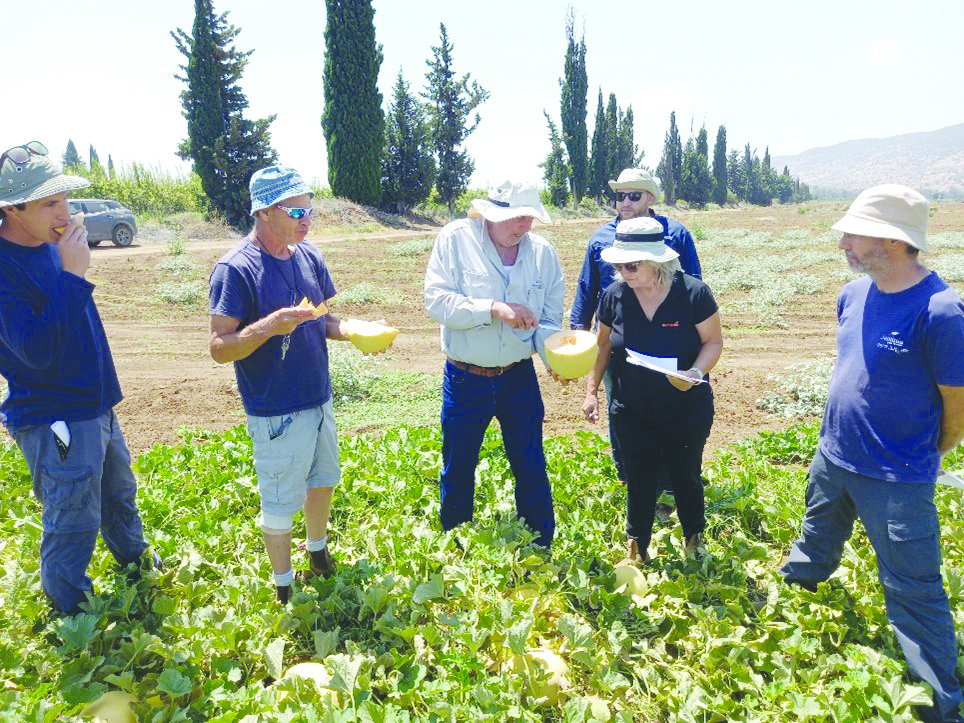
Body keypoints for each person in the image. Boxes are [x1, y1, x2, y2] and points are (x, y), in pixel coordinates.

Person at [780, 185, 964, 723]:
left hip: (897, 477)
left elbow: (957, 402)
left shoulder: (943, 310)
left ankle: (939, 703)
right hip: (834, 456)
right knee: (815, 539)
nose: (843, 243)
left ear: (891, 240)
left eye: (853, 233)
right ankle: (795, 606)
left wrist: (931, 450)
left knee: (914, 589)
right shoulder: (853, 293)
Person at [0, 141, 159, 616]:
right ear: (12, 209)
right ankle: (71, 611)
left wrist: (69, 269)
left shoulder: (48, 245)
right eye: (50, 202)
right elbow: (37, 350)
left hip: (94, 405)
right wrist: (73, 275)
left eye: (65, 199)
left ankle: (136, 564)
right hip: (55, 416)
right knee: (73, 516)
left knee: (118, 494)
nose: (64, 213)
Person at [209, 165, 365, 604]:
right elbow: (219, 348)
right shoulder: (235, 269)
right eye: (295, 209)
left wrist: (352, 330)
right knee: (279, 499)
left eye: (309, 209)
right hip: (276, 408)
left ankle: (317, 553)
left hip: (318, 397)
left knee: (323, 480)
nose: (305, 218)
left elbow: (322, 319)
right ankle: (283, 587)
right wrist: (269, 326)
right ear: (263, 211)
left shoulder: (309, 256)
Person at [423, 180, 565, 547]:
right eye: (516, 218)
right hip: (466, 377)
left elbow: (548, 321)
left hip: (518, 377)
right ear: (490, 214)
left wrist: (556, 358)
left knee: (530, 463)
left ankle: (539, 543)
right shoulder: (456, 240)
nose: (524, 227)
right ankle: (456, 542)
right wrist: (492, 308)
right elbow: (437, 302)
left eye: (529, 219)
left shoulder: (542, 254)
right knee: (459, 466)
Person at [581, 217, 722, 562]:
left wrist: (694, 372)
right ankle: (637, 548)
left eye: (631, 264)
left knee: (685, 473)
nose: (623, 271)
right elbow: (601, 348)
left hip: (684, 404)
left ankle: (693, 540)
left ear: (658, 260)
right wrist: (591, 391)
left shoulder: (693, 293)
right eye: (618, 264)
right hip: (632, 406)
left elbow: (714, 342)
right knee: (638, 476)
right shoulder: (614, 296)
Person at [571, 168, 703, 499]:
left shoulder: (675, 234)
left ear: (650, 198)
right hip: (620, 342)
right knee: (622, 409)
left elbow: (694, 287)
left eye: (633, 196)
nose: (624, 202)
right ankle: (629, 477)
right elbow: (588, 288)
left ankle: (672, 482)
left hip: (668, 340)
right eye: (620, 196)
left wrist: (693, 345)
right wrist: (578, 333)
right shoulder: (601, 238)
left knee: (673, 409)